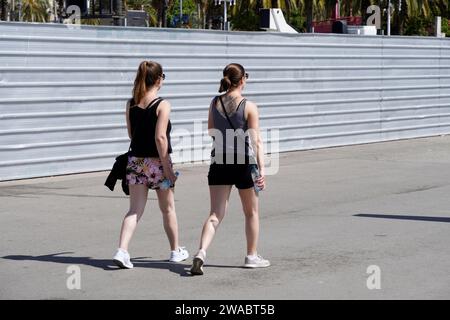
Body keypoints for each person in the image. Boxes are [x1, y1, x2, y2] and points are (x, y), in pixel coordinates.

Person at [190, 63, 270, 276]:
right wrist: (262, 169)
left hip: (219, 163)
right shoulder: (249, 106)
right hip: (244, 163)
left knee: (215, 214)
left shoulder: (214, 102)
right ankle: (251, 256)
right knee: (251, 212)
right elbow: (257, 142)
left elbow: (210, 131)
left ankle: (201, 252)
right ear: (242, 79)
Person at [112, 61, 189, 269]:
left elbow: (131, 134)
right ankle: (175, 251)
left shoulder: (131, 103)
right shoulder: (163, 104)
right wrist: (168, 169)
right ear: (158, 79)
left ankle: (122, 250)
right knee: (168, 208)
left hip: (136, 162)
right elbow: (160, 138)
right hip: (158, 164)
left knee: (134, 210)